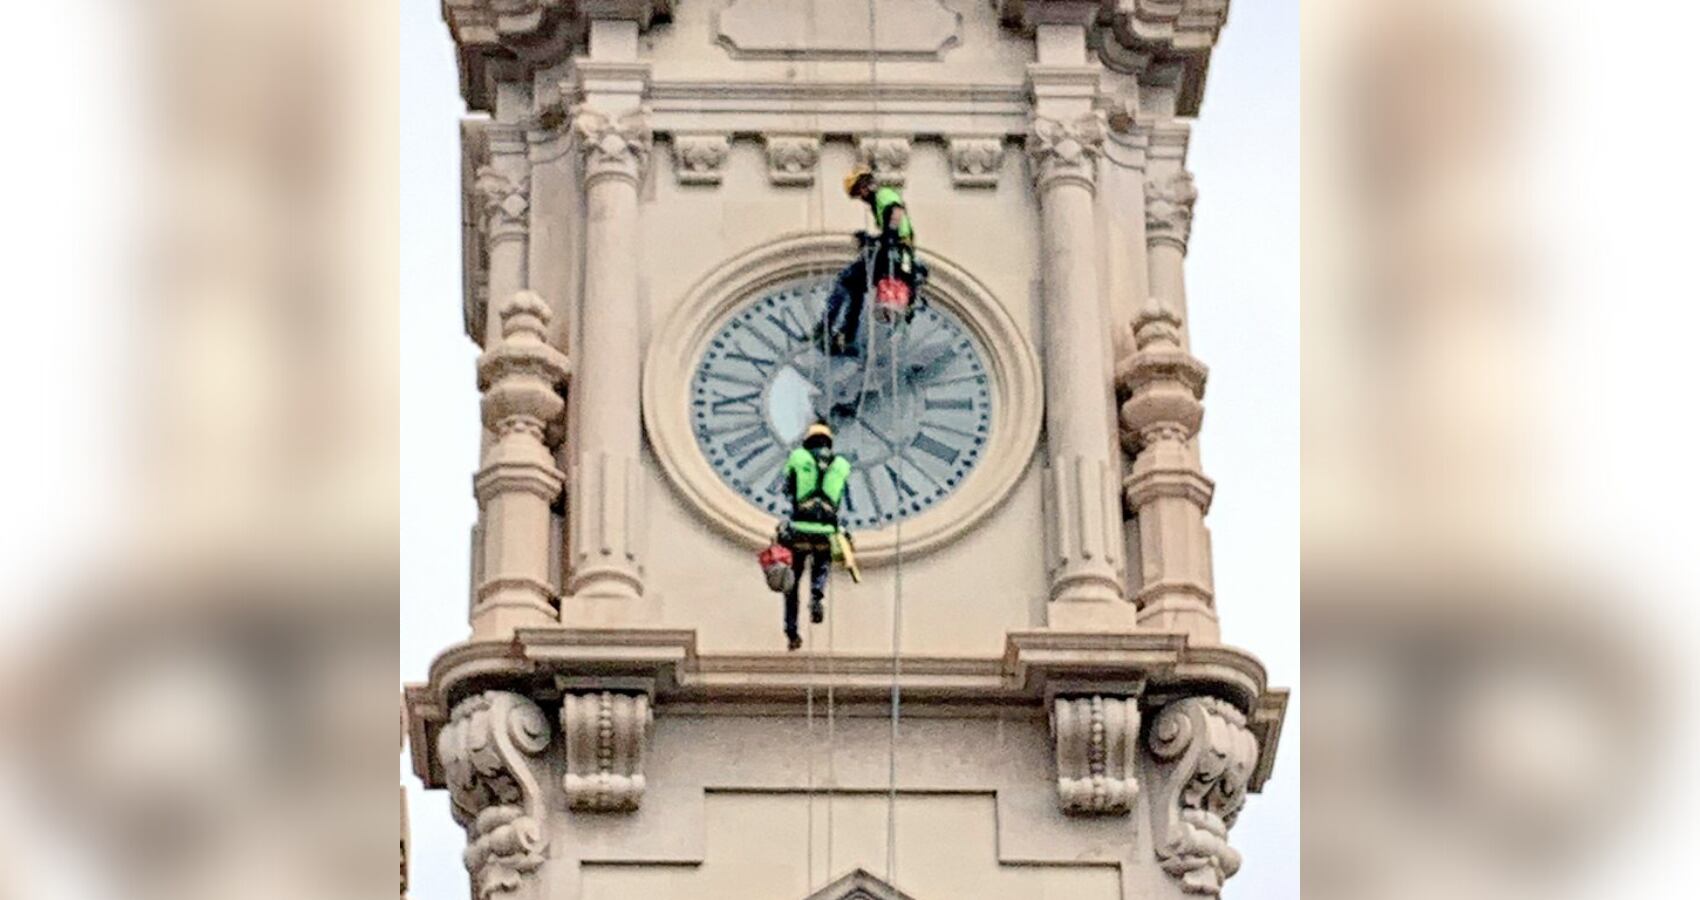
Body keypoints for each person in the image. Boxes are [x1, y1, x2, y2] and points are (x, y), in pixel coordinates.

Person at [820, 167, 923, 355]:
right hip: (898, 252)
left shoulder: (883, 195)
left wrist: (887, 238)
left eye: (859, 191)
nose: (861, 196)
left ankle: (834, 330)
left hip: (895, 252)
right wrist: (876, 239)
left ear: (864, 186)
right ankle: (848, 334)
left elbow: (896, 212)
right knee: (855, 284)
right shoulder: (878, 202)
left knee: (848, 280)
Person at [777, 422, 852, 650]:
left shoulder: (798, 457)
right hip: (826, 530)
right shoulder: (841, 464)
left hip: (800, 527)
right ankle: (817, 596)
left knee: (792, 583)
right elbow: (840, 494)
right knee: (821, 564)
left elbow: (788, 487)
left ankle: (792, 632)